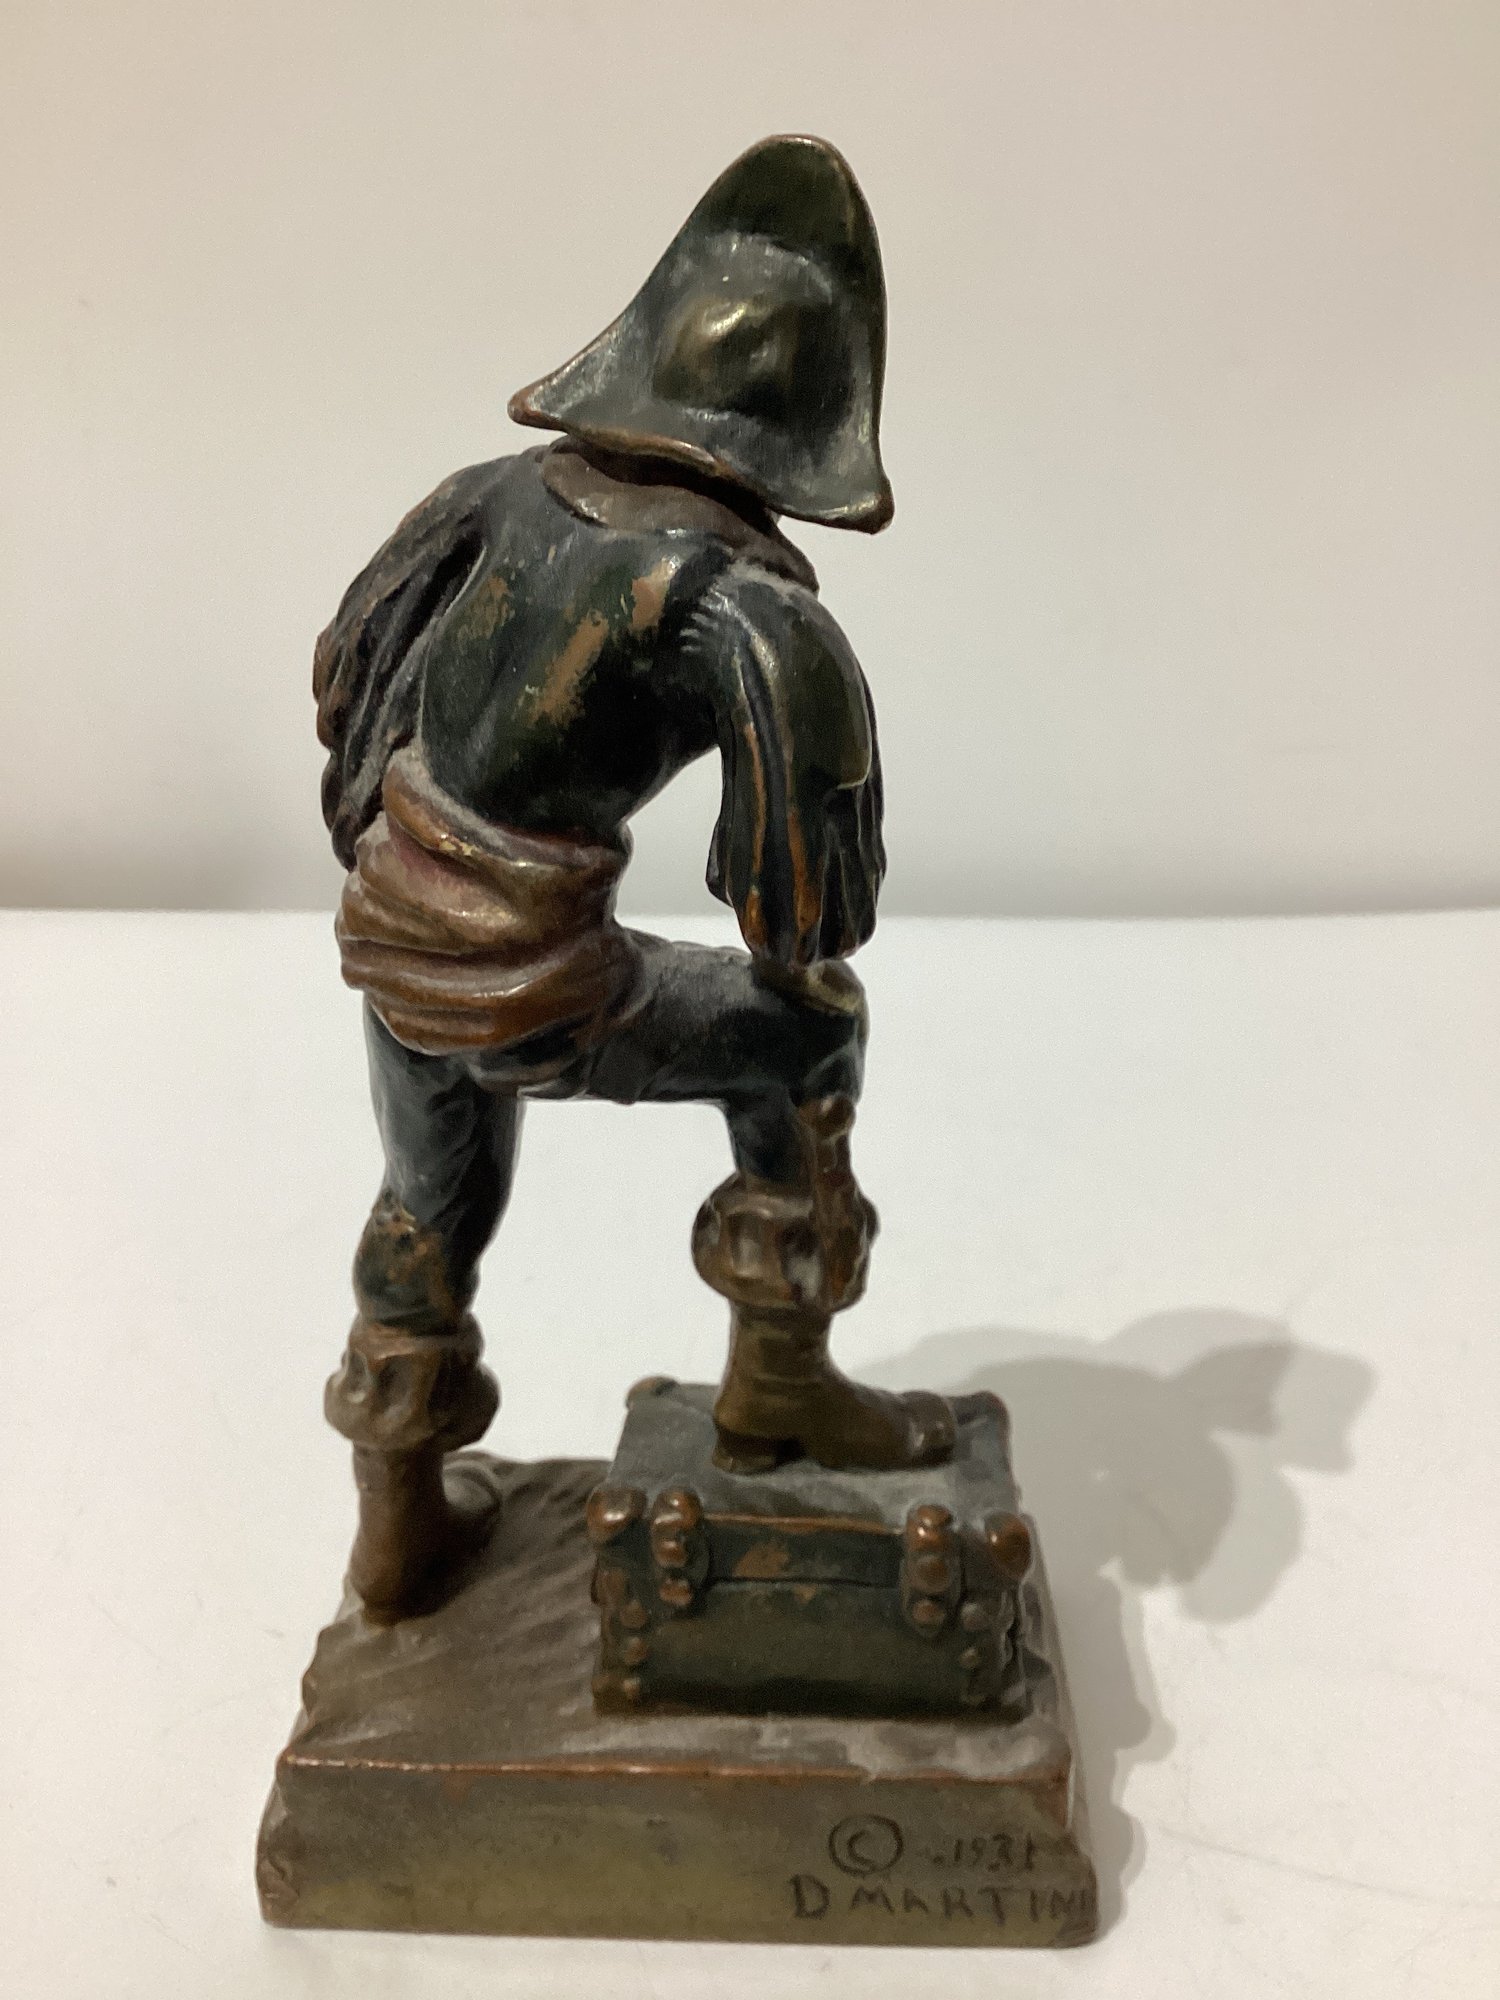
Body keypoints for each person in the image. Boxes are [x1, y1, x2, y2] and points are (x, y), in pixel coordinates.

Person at [313, 135, 955, 1620]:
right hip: (534, 981)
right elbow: (806, 912)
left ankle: (396, 1530)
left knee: (429, 1199)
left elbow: (355, 683)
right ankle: (781, 1384)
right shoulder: (738, 609)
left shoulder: (489, 496)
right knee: (811, 1035)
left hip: (393, 944)